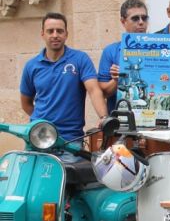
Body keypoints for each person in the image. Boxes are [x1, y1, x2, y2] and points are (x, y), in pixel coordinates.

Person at [20, 12, 108, 162]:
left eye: (59, 31)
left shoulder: (80, 59)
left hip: (70, 141)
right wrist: (43, 122)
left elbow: (94, 90)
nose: (55, 35)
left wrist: (104, 117)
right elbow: (26, 103)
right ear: (42, 34)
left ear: (66, 34)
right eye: (50, 31)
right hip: (37, 139)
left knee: (68, 184)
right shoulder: (31, 66)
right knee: (33, 183)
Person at [98, 0, 149, 113]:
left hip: (153, 120)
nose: (141, 22)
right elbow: (103, 93)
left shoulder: (162, 49)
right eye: (135, 18)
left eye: (144, 18)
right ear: (123, 21)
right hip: (121, 120)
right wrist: (117, 80)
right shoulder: (110, 51)